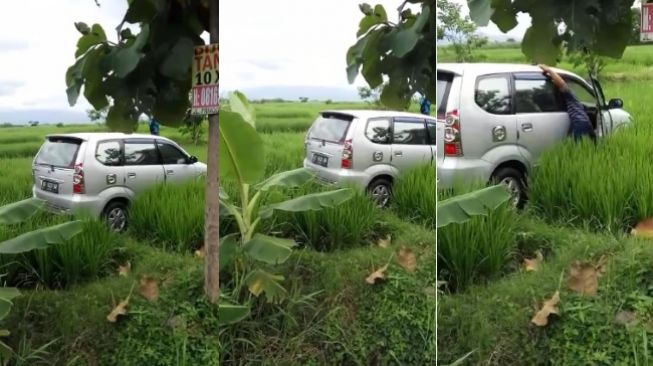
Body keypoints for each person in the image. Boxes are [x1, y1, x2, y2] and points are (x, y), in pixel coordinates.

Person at [538, 64, 596, 142]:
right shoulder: (568, 98)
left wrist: (549, 70)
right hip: (584, 122)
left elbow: (561, 83)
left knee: (571, 146)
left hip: (579, 123)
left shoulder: (569, 94)